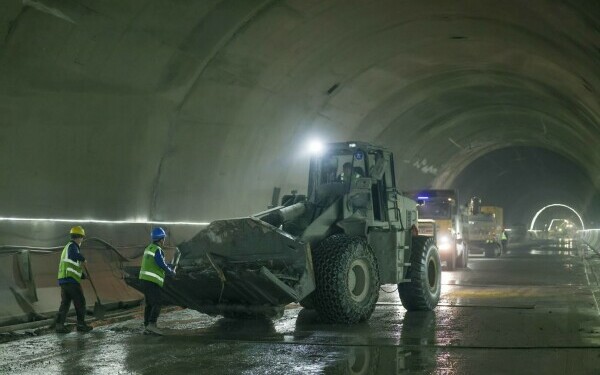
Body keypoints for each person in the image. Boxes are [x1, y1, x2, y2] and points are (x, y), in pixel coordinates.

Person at [55, 226, 93, 333]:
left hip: (64, 280)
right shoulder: (72, 246)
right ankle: (81, 325)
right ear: (79, 237)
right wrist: (83, 259)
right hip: (71, 280)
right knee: (80, 302)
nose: (82, 240)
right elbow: (74, 256)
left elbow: (72, 266)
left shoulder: (67, 247)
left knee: (65, 304)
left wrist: (84, 276)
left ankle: (59, 326)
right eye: (82, 238)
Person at [139, 227, 176, 335]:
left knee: (150, 303)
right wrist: (171, 271)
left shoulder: (148, 248)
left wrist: (168, 266)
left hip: (144, 280)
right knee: (158, 302)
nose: (164, 241)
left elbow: (155, 263)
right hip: (151, 281)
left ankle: (147, 326)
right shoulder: (158, 250)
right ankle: (152, 324)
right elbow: (161, 264)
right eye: (163, 238)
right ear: (161, 239)